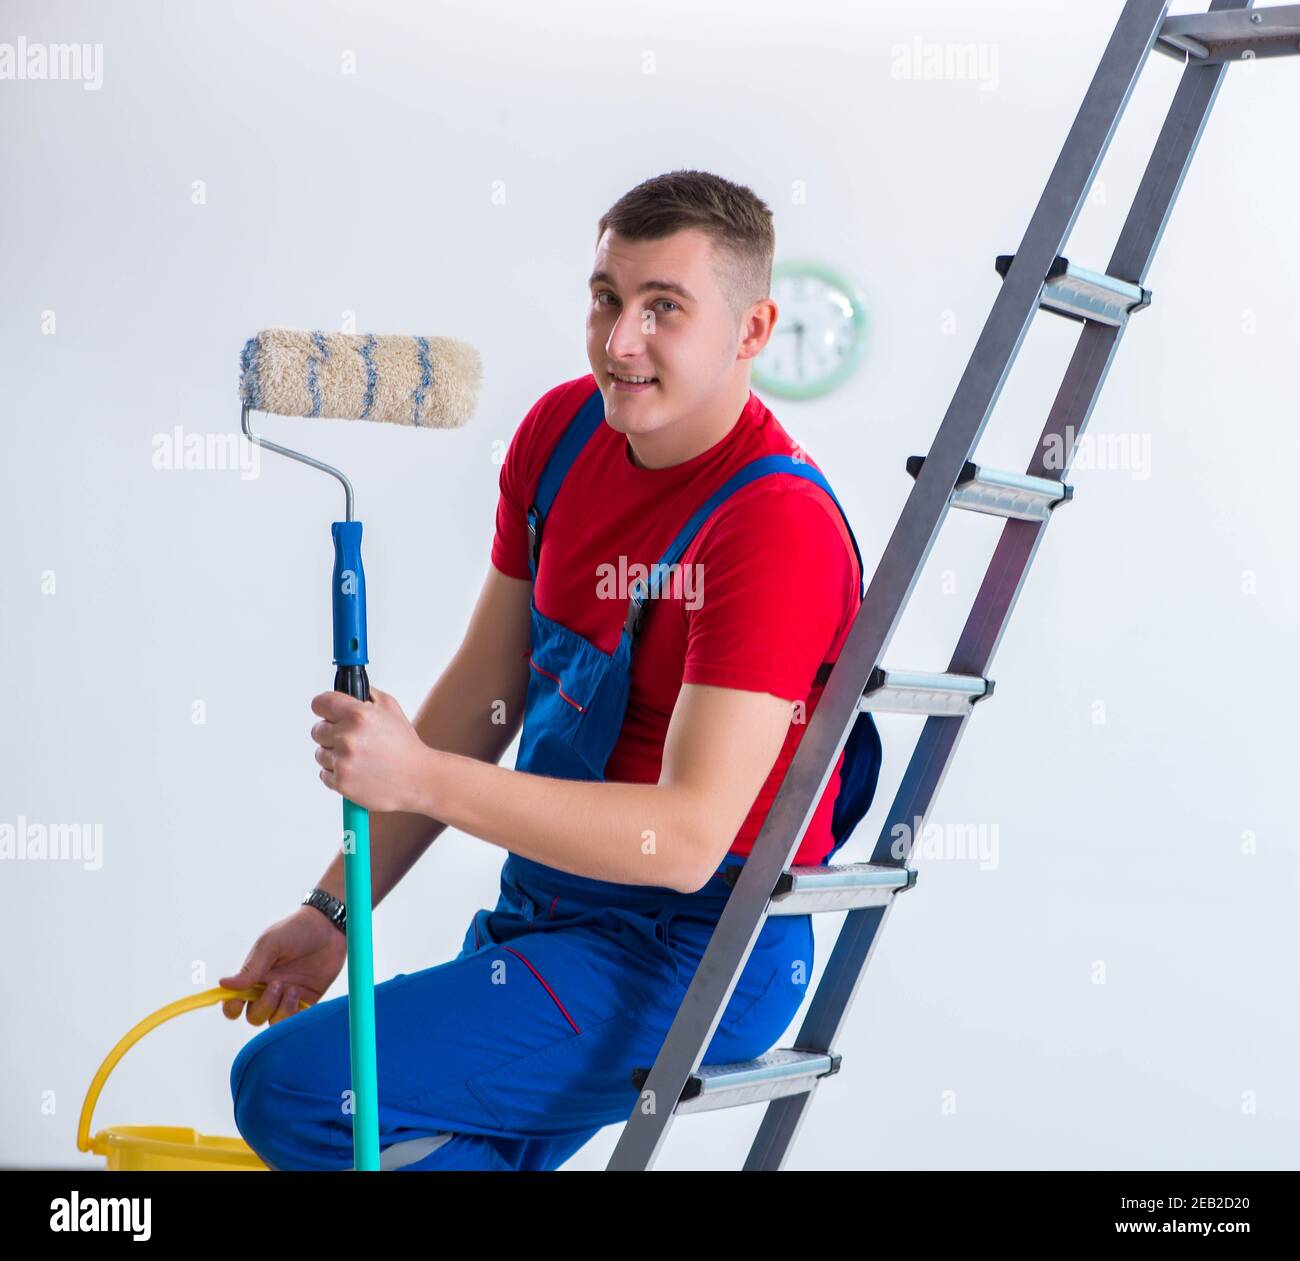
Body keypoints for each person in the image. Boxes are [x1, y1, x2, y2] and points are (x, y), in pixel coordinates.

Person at [222, 169, 878, 1171]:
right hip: (547, 918)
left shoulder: (770, 526)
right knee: (405, 1139)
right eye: (607, 297)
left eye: (665, 308)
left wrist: (420, 777)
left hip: (692, 952)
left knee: (300, 1090)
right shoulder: (562, 436)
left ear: (751, 333)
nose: (620, 341)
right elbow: (483, 703)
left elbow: (686, 838)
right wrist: (334, 910)